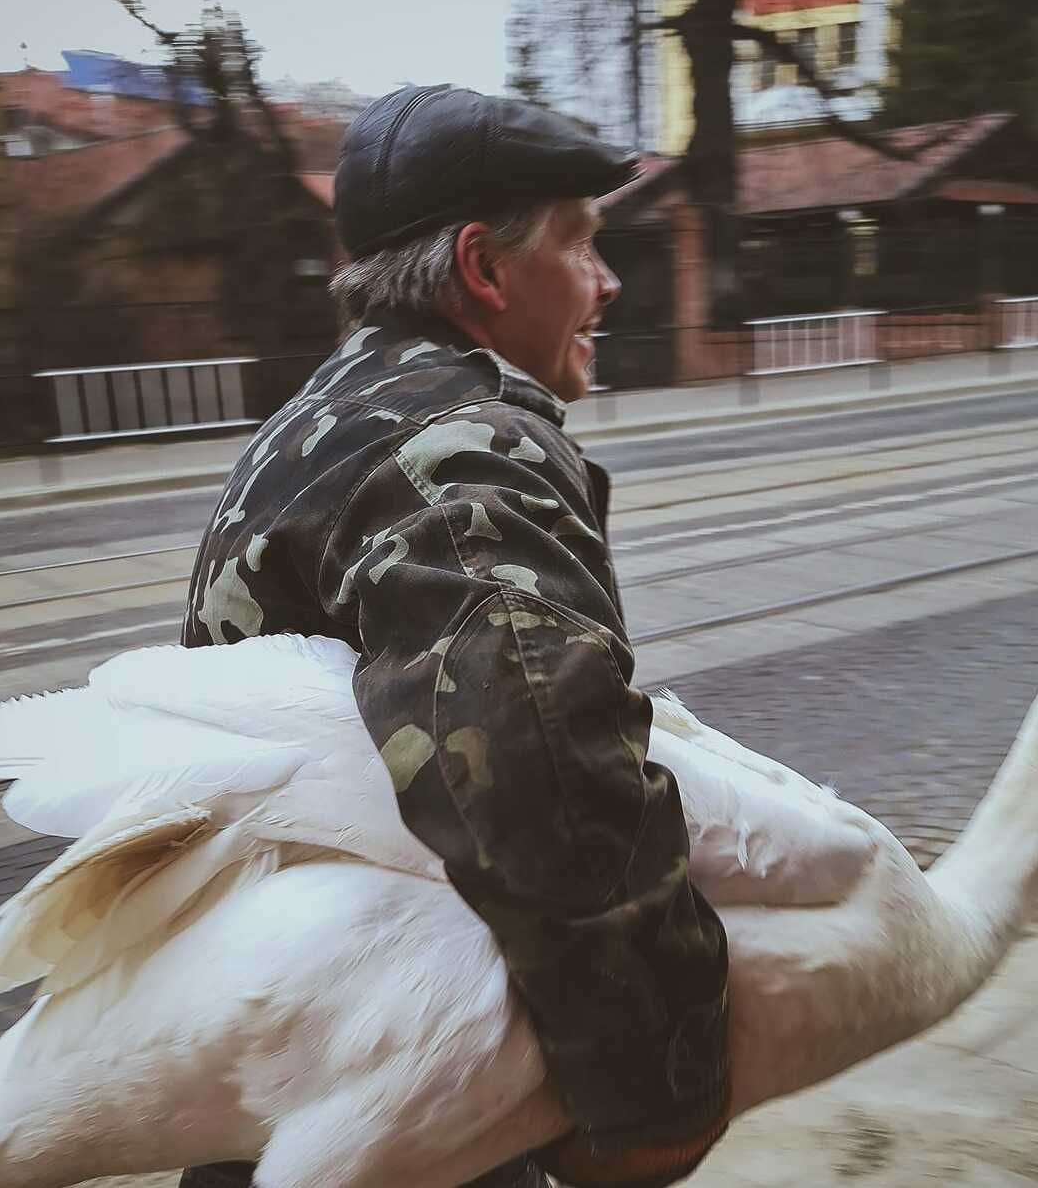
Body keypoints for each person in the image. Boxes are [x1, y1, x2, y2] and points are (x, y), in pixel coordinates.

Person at [178, 84, 731, 1188]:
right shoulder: (465, 447)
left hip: (276, 1064)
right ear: (483, 269)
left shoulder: (315, 422)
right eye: (581, 245)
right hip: (399, 1098)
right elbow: (545, 769)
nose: (607, 282)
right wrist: (660, 1090)